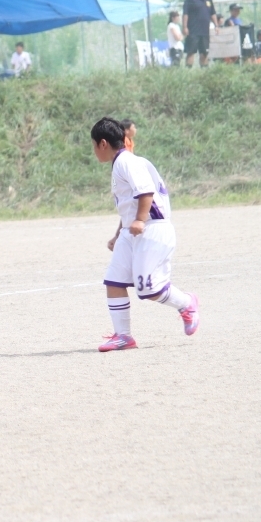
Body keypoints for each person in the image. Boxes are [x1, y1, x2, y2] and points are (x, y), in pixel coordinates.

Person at [91, 117, 199, 352]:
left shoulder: (126, 162)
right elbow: (129, 205)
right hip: (132, 231)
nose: (94, 151)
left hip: (152, 228)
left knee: (150, 290)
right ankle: (123, 336)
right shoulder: (121, 163)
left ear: (102, 143)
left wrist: (140, 220)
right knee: (114, 281)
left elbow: (145, 192)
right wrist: (118, 233)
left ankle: (187, 303)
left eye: (93, 146)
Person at [182, 0, 215, 68]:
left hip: (205, 32)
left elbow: (213, 13)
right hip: (193, 31)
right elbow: (185, 13)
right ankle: (188, 71)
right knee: (191, 52)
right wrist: (185, 27)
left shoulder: (209, 0)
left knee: (204, 53)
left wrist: (216, 25)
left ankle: (204, 72)